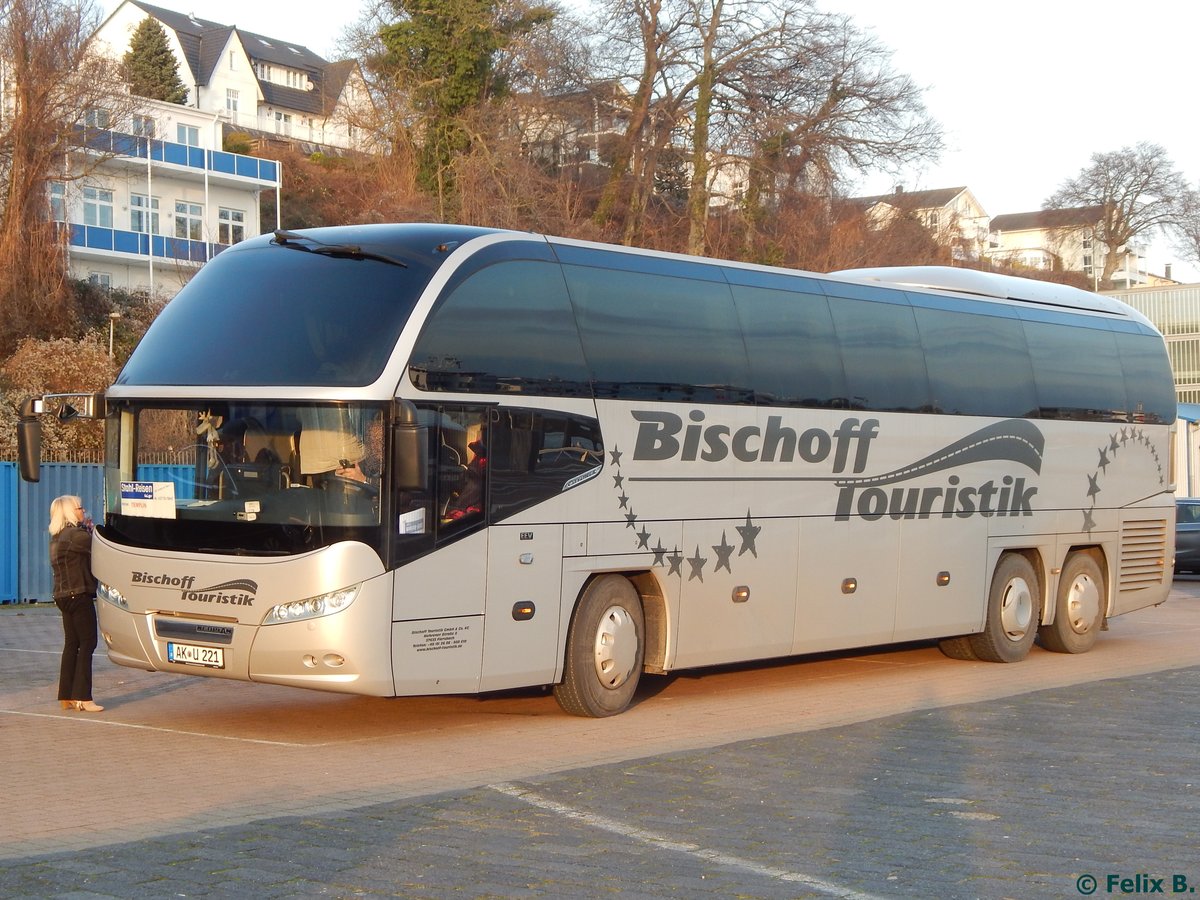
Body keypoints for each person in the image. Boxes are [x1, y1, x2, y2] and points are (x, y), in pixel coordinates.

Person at [48, 495, 103, 712]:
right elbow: (100, 548)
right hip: (78, 594)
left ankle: (66, 695)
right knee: (88, 643)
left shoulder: (58, 536)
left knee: (72, 644)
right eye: (80, 508)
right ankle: (83, 697)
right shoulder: (77, 536)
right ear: (71, 512)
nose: (84, 511)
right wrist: (92, 530)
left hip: (62, 595)